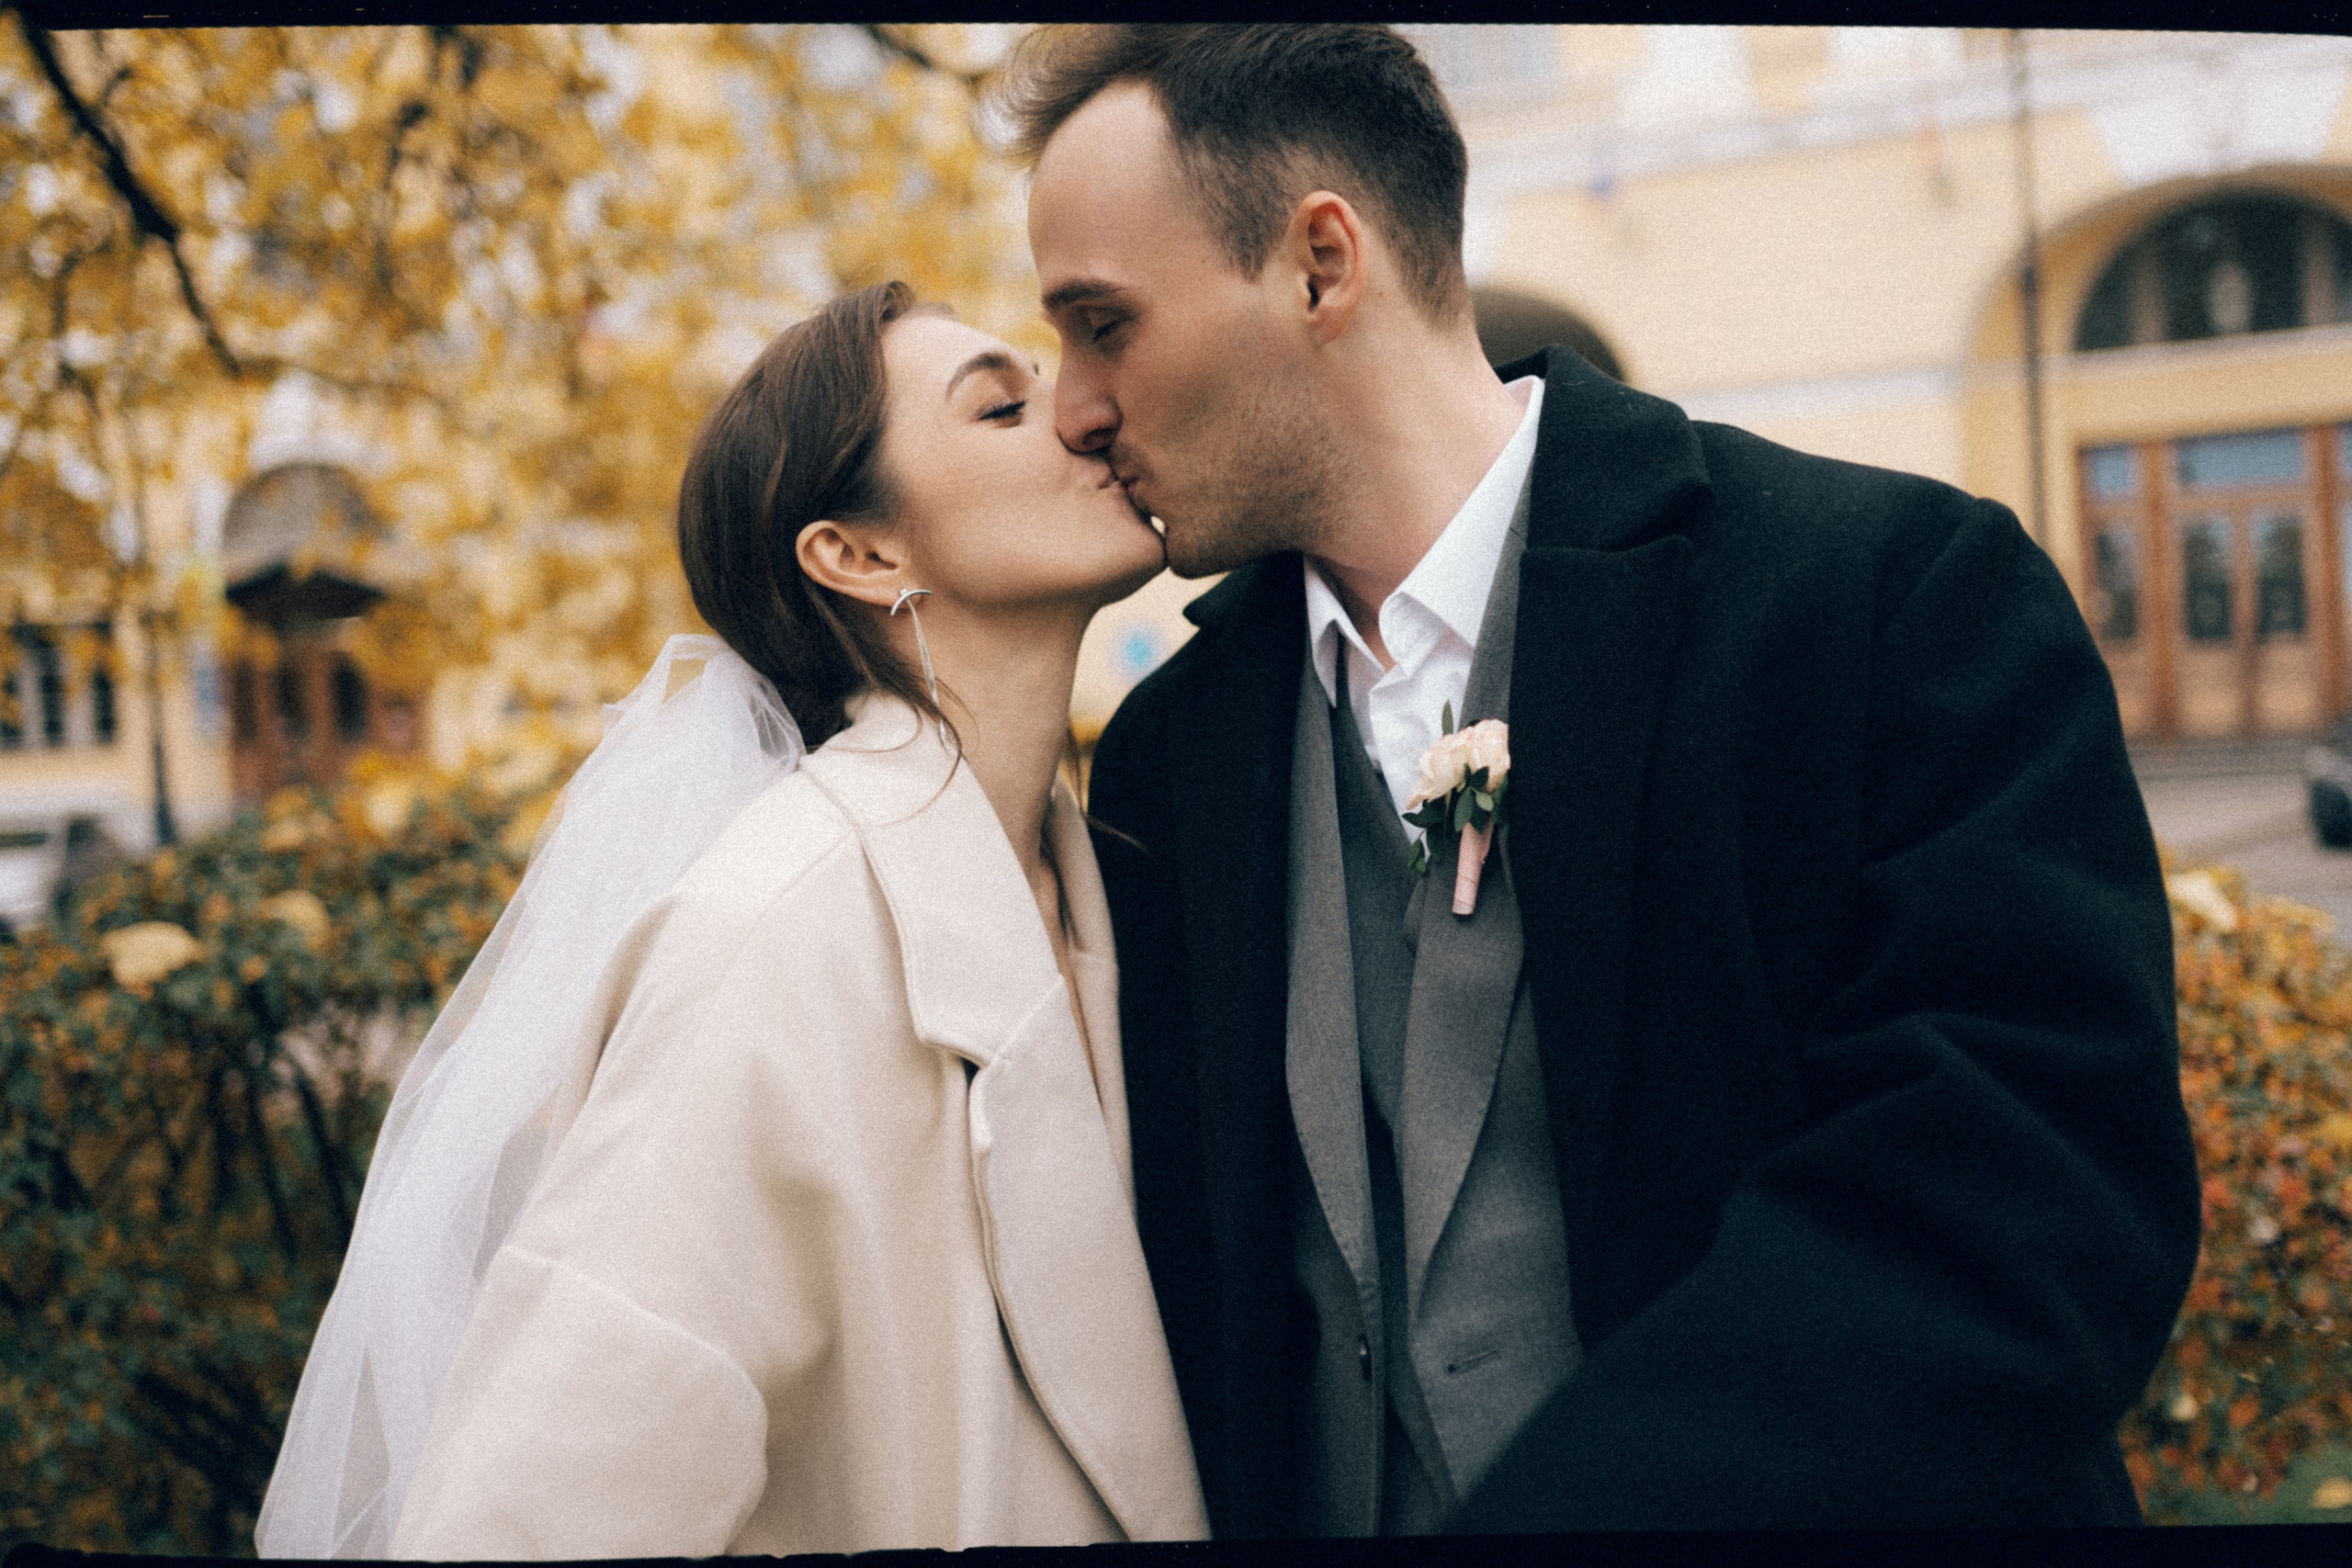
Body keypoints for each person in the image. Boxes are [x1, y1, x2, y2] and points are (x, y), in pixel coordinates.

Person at [1006, 23, 2204, 1536]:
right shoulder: (1172, 753)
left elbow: (2020, 1204)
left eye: (1101, 324)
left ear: (1321, 264)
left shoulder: (1883, 597)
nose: (1073, 408)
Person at [253, 282, 1209, 1558]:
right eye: (1002, 406)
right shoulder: (771, 938)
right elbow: (525, 1516)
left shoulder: (1106, 877)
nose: (1083, 418)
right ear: (861, 555)